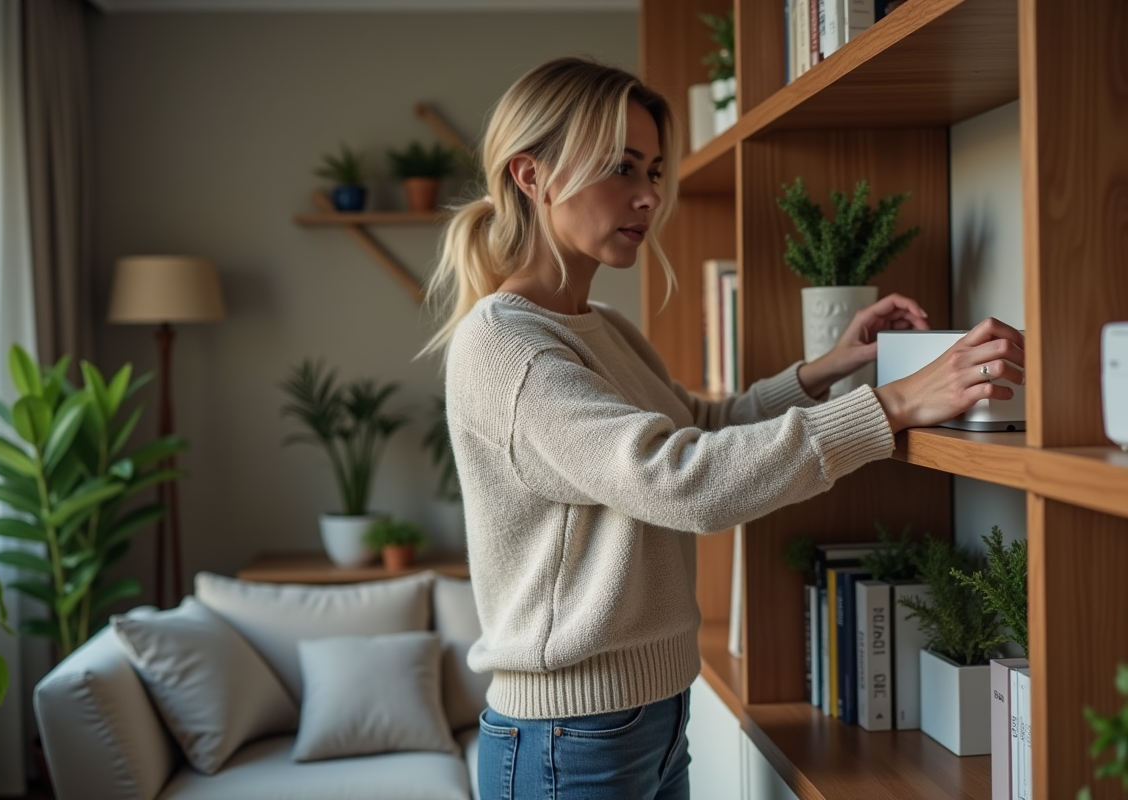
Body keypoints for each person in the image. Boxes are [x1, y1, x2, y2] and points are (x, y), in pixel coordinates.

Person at [424, 57, 1024, 800]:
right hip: (566, 738)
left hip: (646, 719)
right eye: (620, 168)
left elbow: (700, 426)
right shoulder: (506, 346)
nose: (648, 197)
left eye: (652, 170)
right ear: (531, 175)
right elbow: (682, 480)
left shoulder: (601, 326)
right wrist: (891, 407)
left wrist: (824, 369)